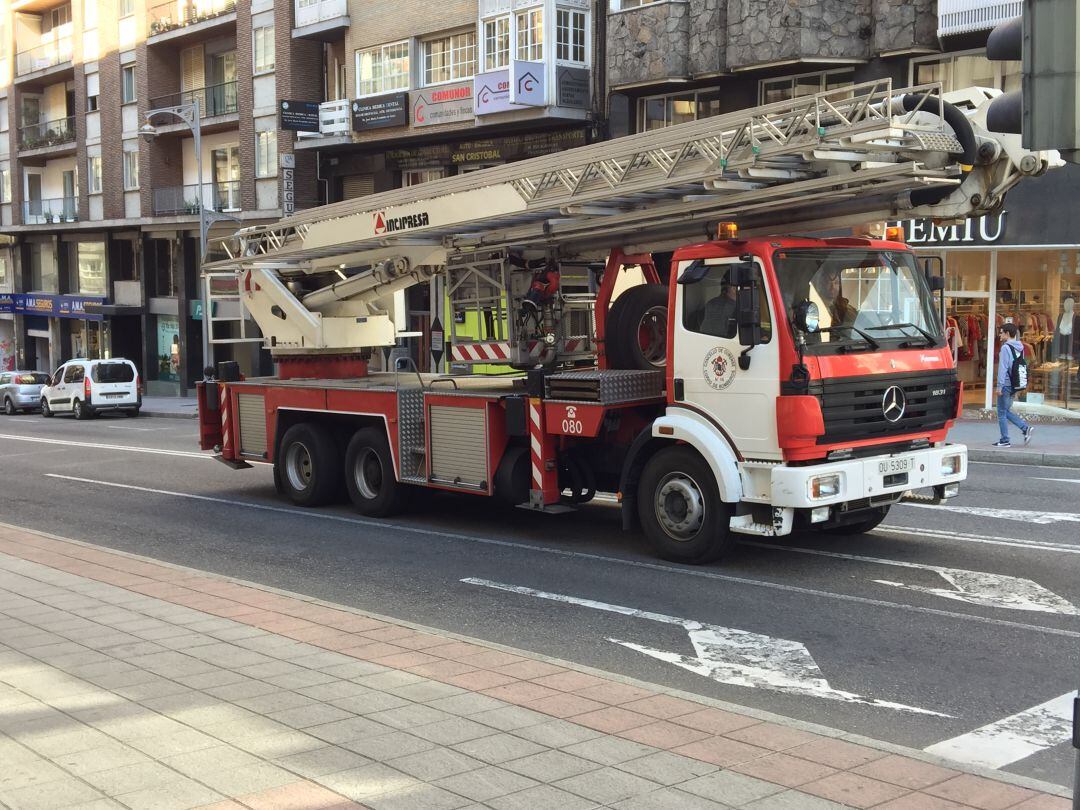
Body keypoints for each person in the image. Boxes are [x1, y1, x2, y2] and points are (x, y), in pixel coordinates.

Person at [993, 322, 1033, 448]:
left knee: (1001, 413)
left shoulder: (1005, 348)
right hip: (1014, 383)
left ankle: (1005, 440)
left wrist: (999, 386)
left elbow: (1003, 368)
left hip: (1006, 384)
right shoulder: (1020, 347)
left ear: (1007, 333)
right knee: (1005, 411)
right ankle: (1025, 429)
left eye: (1001, 332)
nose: (999, 335)